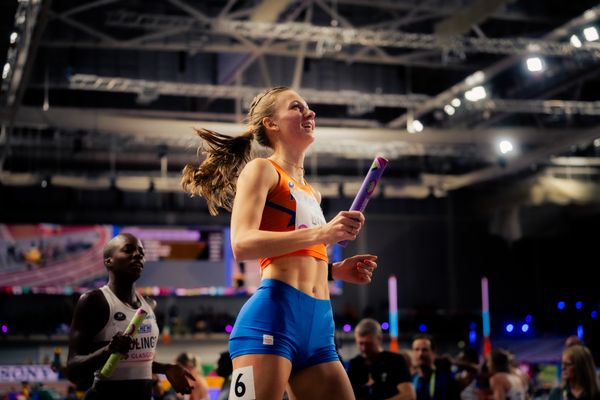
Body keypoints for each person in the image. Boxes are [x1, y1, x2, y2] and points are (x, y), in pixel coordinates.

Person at [181, 86, 379, 399]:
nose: (310, 113)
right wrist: (324, 233)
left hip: (320, 327)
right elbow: (242, 244)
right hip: (272, 321)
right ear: (272, 124)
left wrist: (335, 271)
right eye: (297, 107)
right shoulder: (261, 169)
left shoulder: (313, 193)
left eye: (309, 108)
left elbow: (298, 254)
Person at [65, 233, 194, 400]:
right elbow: (72, 369)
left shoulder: (149, 305)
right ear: (108, 261)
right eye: (128, 250)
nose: (137, 255)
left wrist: (166, 368)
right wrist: (108, 351)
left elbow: (132, 362)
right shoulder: (95, 301)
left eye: (141, 252)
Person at [347, 318, 415, 400]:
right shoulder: (354, 364)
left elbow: (409, 395)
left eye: (368, 344)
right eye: (360, 343)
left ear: (379, 338)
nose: (364, 348)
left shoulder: (395, 361)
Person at [411, 334, 460, 400]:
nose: (420, 354)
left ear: (433, 352)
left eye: (424, 350)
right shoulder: (411, 380)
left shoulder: (446, 380)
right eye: (416, 349)